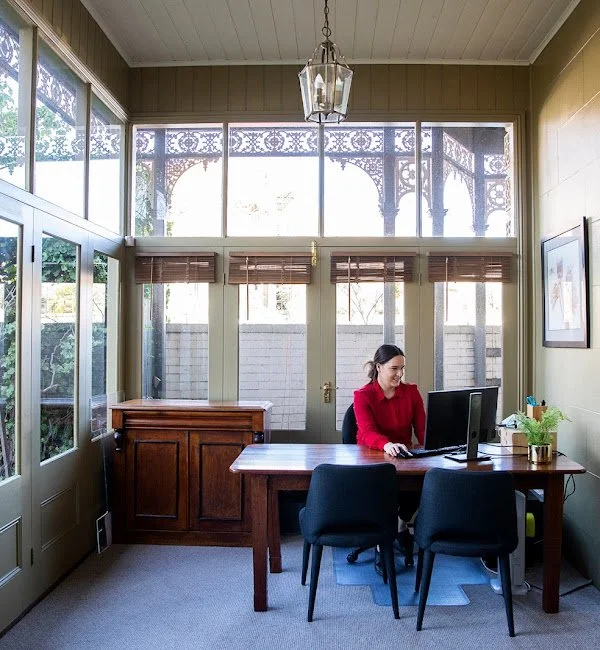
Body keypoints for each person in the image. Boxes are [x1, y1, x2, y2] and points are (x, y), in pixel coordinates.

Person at [353, 344, 425, 571]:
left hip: (405, 460)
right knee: (382, 492)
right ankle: (380, 544)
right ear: (378, 367)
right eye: (394, 368)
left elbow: (423, 430)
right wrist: (387, 444)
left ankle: (400, 525)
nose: (400, 374)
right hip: (372, 459)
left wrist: (436, 450)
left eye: (402, 368)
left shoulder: (411, 392)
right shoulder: (362, 396)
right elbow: (366, 431)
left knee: (426, 482)